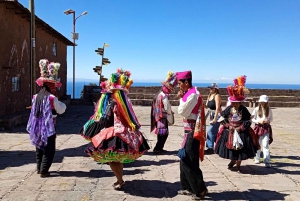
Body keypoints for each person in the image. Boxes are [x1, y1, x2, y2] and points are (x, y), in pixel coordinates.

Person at [80, 68, 150, 190]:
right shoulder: (125, 103)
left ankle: (120, 180)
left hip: (113, 134)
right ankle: (120, 179)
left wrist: (98, 123)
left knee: (112, 159)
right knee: (117, 159)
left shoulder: (111, 103)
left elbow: (105, 120)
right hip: (124, 133)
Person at [27, 59, 66, 178]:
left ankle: (39, 168)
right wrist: (62, 104)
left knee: (39, 147)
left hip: (37, 125)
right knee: (49, 149)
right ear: (51, 85)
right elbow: (61, 110)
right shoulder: (52, 97)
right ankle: (44, 170)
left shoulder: (36, 96)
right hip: (49, 127)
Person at [215, 75, 258, 173]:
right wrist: (228, 126)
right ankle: (233, 160)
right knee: (232, 149)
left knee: (241, 149)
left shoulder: (244, 110)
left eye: (237, 102)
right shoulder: (229, 109)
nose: (235, 104)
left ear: (240, 102)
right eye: (233, 102)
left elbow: (248, 121)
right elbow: (222, 118)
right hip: (230, 131)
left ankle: (238, 164)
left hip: (241, 131)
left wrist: (241, 128)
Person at [176, 70, 208, 200]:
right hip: (188, 131)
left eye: (180, 83)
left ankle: (200, 190)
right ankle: (188, 187)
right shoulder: (189, 93)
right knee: (186, 159)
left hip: (192, 132)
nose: (179, 86)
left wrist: (179, 100)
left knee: (188, 161)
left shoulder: (193, 95)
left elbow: (182, 111)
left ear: (186, 82)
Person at [151, 71, 176, 155]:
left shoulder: (158, 94)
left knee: (160, 134)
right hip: (162, 117)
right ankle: (158, 148)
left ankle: (158, 148)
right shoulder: (164, 96)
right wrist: (170, 113)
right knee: (163, 134)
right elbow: (167, 107)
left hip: (158, 116)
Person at [252, 95, 273, 167]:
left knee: (265, 144)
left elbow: (271, 118)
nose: (262, 103)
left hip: (266, 128)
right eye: (261, 102)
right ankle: (256, 158)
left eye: (264, 102)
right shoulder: (256, 109)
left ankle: (267, 161)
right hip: (258, 127)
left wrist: (268, 120)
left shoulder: (269, 109)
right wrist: (258, 121)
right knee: (257, 143)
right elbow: (252, 118)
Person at [205, 83, 222, 154]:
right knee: (214, 132)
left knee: (210, 131)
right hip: (211, 115)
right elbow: (206, 106)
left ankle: (210, 148)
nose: (210, 89)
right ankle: (220, 146)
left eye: (212, 88)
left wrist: (215, 118)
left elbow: (218, 107)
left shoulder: (217, 96)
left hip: (216, 115)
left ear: (216, 89)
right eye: (210, 88)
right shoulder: (209, 96)